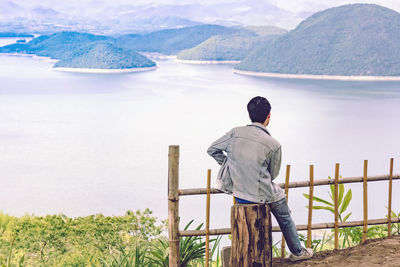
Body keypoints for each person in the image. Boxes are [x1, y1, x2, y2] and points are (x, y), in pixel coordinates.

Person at [207, 96, 313, 262]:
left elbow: (212, 149)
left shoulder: (235, 133)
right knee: (284, 216)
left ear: (249, 114)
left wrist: (231, 164)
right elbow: (273, 174)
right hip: (261, 195)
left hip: (240, 192)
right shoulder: (273, 144)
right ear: (268, 116)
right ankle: (298, 252)